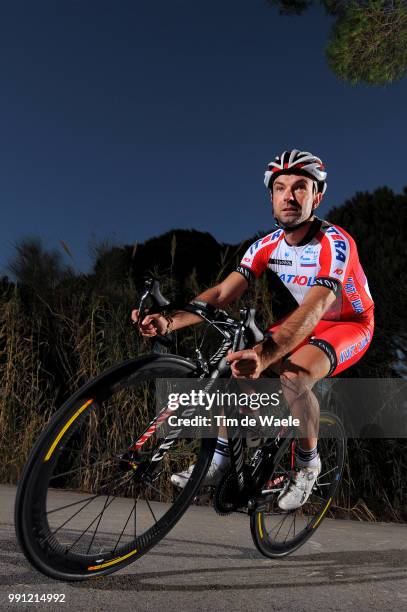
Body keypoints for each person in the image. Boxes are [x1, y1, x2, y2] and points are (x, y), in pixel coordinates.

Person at [131, 149, 374, 510]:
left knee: (293, 376)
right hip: (305, 320)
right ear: (272, 197)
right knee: (234, 363)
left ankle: (308, 464)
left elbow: (315, 305)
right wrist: (171, 320)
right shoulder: (265, 246)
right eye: (280, 187)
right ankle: (224, 456)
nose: (289, 196)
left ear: (317, 197)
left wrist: (266, 354)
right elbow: (222, 293)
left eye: (300, 187)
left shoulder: (336, 243)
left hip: (349, 323)